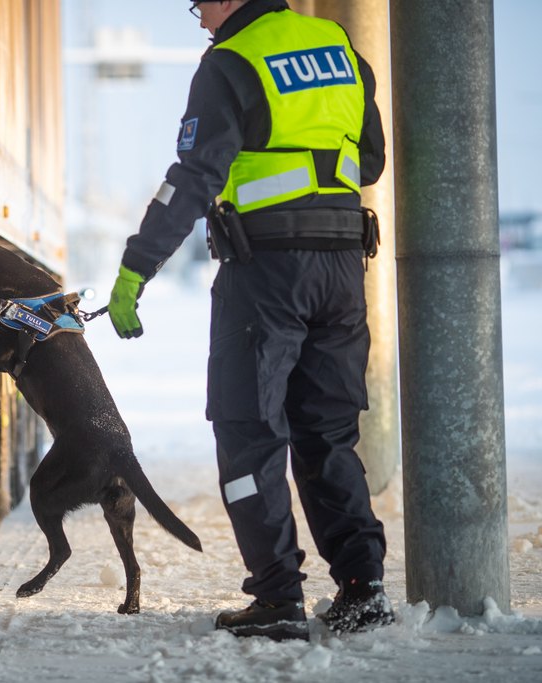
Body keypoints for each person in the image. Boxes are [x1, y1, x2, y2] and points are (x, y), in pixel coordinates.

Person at [107, 0, 393, 642]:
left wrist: (136, 268)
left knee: (247, 429)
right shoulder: (340, 48)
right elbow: (369, 162)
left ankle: (278, 597)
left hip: (266, 272)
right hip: (344, 266)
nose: (200, 16)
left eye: (200, 3)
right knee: (328, 431)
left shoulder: (231, 61)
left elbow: (193, 177)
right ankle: (362, 588)